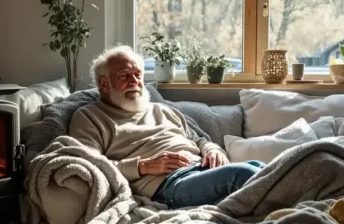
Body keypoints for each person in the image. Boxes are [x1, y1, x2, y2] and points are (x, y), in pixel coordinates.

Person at [69, 45, 265, 208]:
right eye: (124, 76)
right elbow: (89, 165)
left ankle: (282, 217)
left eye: (137, 75)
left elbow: (198, 139)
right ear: (104, 84)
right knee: (243, 174)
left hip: (202, 169)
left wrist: (212, 150)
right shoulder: (90, 117)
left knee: (259, 168)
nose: (134, 82)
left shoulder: (162, 110)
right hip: (168, 184)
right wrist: (143, 166)